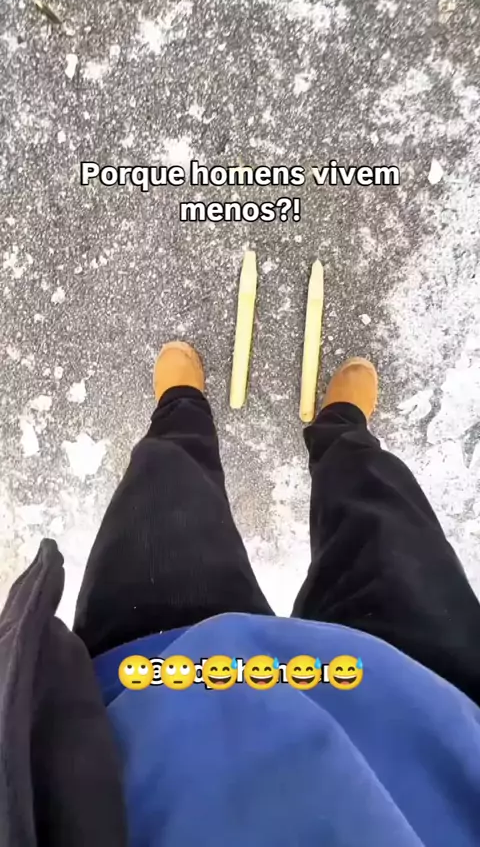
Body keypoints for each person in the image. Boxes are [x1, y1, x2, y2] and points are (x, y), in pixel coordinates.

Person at [1, 342, 480, 847]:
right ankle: (343, 431)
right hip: (424, 715)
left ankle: (181, 409)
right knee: (381, 519)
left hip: (151, 687)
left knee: (166, 488)